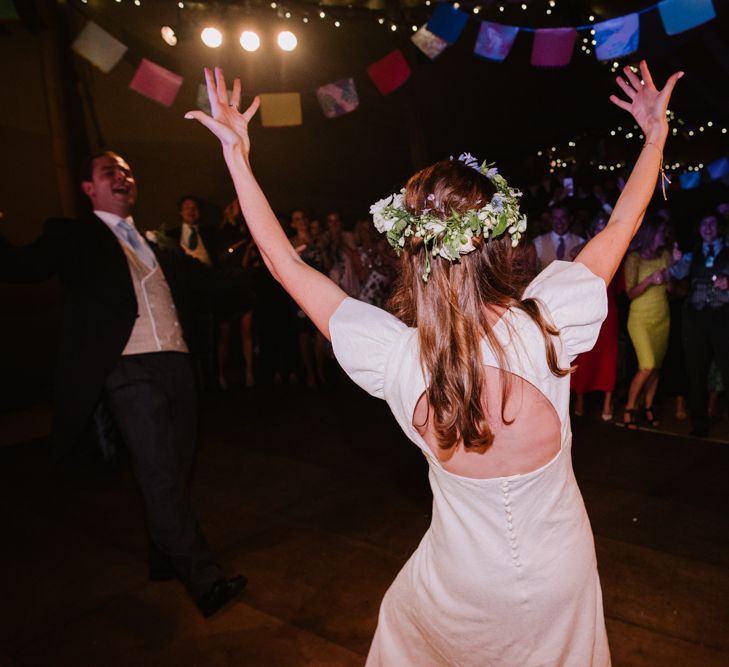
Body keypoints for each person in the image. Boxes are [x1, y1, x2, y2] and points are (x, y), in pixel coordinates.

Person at [185, 61, 680, 666]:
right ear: (501, 242)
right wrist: (654, 136)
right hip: (559, 573)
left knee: (404, 625)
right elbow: (623, 223)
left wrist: (237, 156)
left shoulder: (392, 356)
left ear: (410, 249)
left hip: (460, 587)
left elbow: (287, 264)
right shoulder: (550, 322)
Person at [0, 151, 246, 617]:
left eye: (128, 171)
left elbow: (215, 283)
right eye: (108, 172)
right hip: (128, 370)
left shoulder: (159, 243)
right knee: (157, 471)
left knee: (175, 466)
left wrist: (270, 258)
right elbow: (20, 266)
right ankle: (203, 578)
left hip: (176, 364)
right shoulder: (71, 236)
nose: (122, 177)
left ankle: (162, 558)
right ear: (88, 189)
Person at [670, 212, 729, 436]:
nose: (708, 227)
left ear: (720, 228)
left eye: (712, 223)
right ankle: (699, 422)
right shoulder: (692, 254)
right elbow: (676, 273)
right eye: (704, 223)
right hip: (696, 317)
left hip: (723, 315)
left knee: (727, 368)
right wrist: (675, 260)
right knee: (696, 370)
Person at [622, 217, 672, 429]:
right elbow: (630, 292)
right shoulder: (635, 258)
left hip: (662, 317)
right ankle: (630, 407)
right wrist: (650, 280)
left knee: (656, 367)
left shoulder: (666, 255)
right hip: (640, 319)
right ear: (651, 234)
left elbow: (673, 289)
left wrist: (673, 272)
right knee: (648, 364)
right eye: (661, 231)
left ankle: (649, 407)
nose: (665, 235)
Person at [570, 215, 621, 421]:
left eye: (605, 229)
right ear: (591, 233)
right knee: (584, 354)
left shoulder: (618, 252)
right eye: (599, 229)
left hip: (608, 309)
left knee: (608, 355)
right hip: (586, 307)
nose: (603, 233)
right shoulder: (579, 252)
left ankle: (608, 401)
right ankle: (580, 397)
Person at [533, 203, 585, 270]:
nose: (559, 222)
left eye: (563, 217)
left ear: (570, 219)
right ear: (551, 220)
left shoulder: (580, 242)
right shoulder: (538, 242)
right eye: (555, 218)